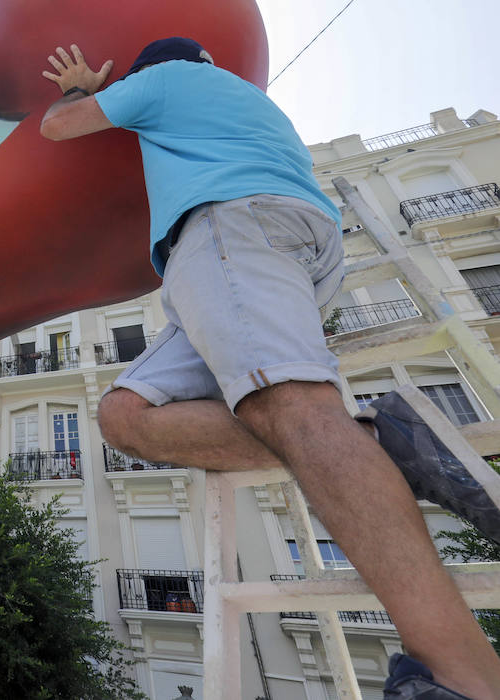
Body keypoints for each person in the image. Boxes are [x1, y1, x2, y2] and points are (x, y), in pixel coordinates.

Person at [39, 37, 500, 700]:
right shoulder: (247, 98)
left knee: (298, 416)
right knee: (127, 415)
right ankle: (374, 440)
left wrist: (83, 88)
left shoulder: (163, 80)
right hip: (288, 242)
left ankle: (464, 677)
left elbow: (60, 126)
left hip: (231, 232)